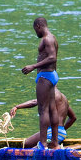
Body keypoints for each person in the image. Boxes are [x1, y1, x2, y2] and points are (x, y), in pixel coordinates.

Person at [20, 17, 59, 148]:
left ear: (38, 26)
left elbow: (52, 57)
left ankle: (43, 143)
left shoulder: (46, 39)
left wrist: (33, 66)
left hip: (45, 76)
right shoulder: (53, 37)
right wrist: (54, 79)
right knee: (52, 109)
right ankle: (54, 142)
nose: (36, 33)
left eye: (35, 30)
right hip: (51, 75)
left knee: (43, 110)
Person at [11, 89, 76, 148]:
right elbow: (73, 118)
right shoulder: (64, 98)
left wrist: (17, 107)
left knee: (28, 148)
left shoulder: (51, 93)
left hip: (52, 133)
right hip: (61, 132)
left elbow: (34, 102)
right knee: (27, 144)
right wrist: (62, 130)